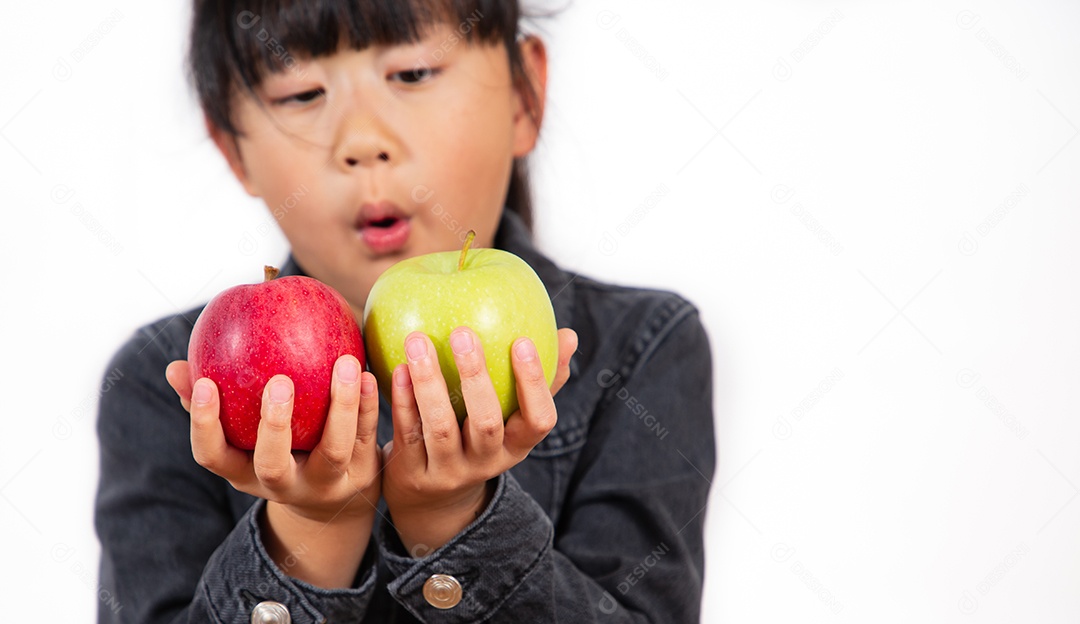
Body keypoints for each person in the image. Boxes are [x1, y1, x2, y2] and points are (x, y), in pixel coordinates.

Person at [95, 0, 715, 621]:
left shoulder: (645, 348)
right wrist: (311, 529)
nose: (363, 141)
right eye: (303, 93)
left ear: (523, 98)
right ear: (233, 148)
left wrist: (451, 521)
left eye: (414, 74)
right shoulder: (167, 385)